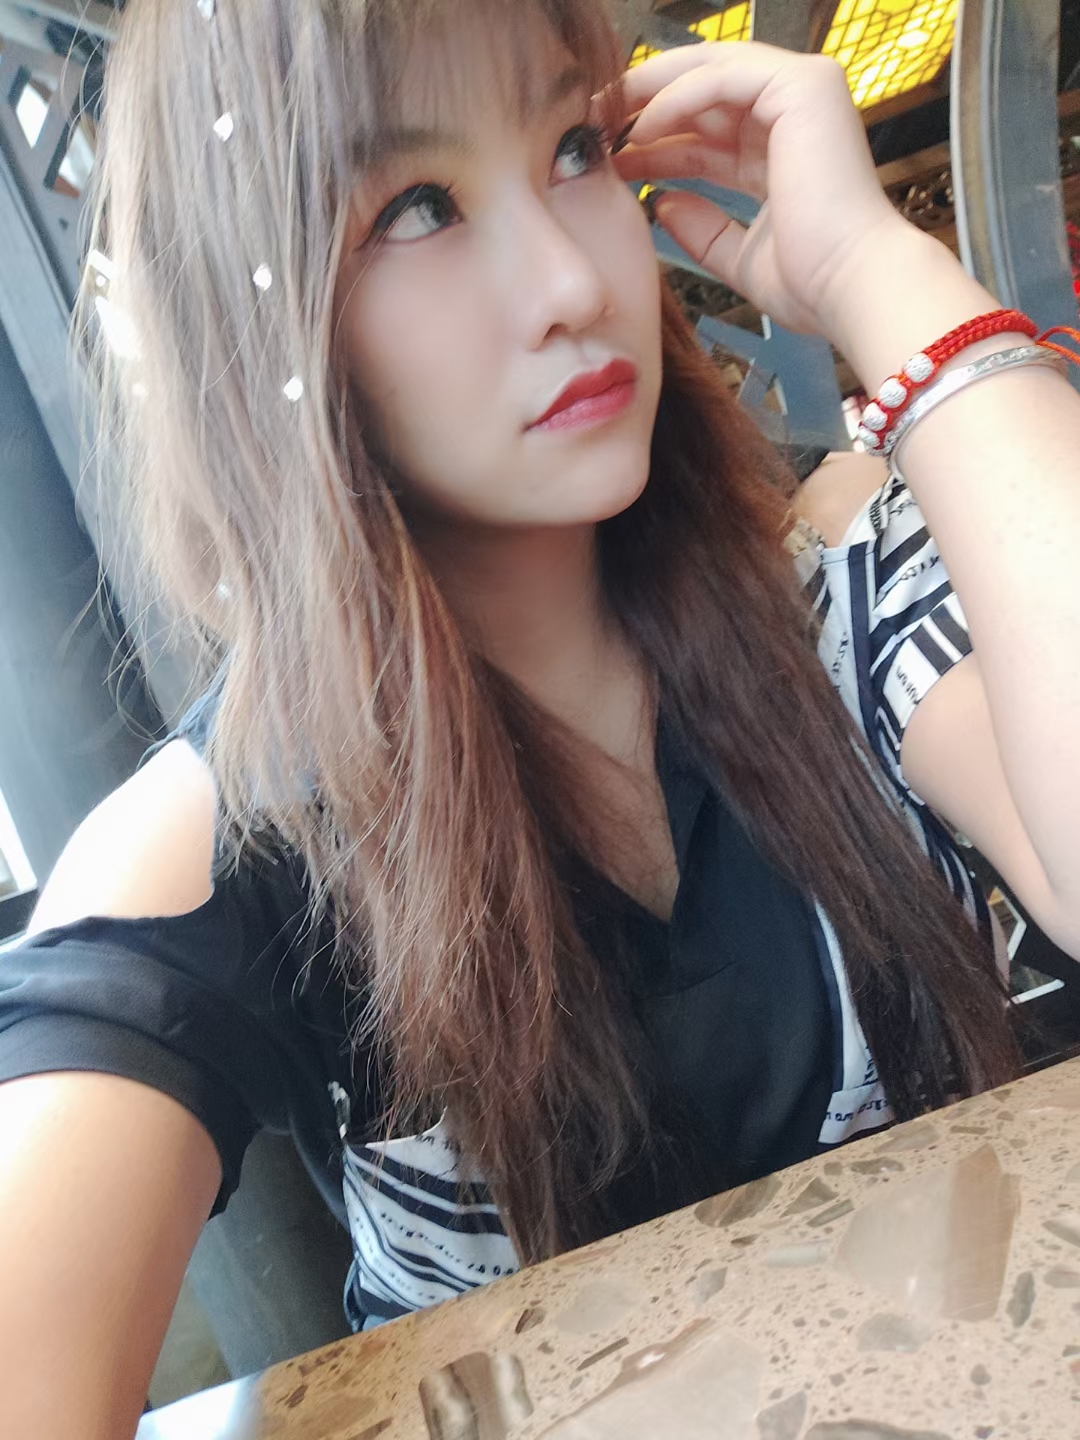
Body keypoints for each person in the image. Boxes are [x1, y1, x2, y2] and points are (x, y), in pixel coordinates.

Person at [3, 0, 1080, 1433]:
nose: (574, 279)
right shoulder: (241, 833)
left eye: (575, 147)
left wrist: (876, 270)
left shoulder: (833, 591)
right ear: (255, 324)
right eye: (419, 208)